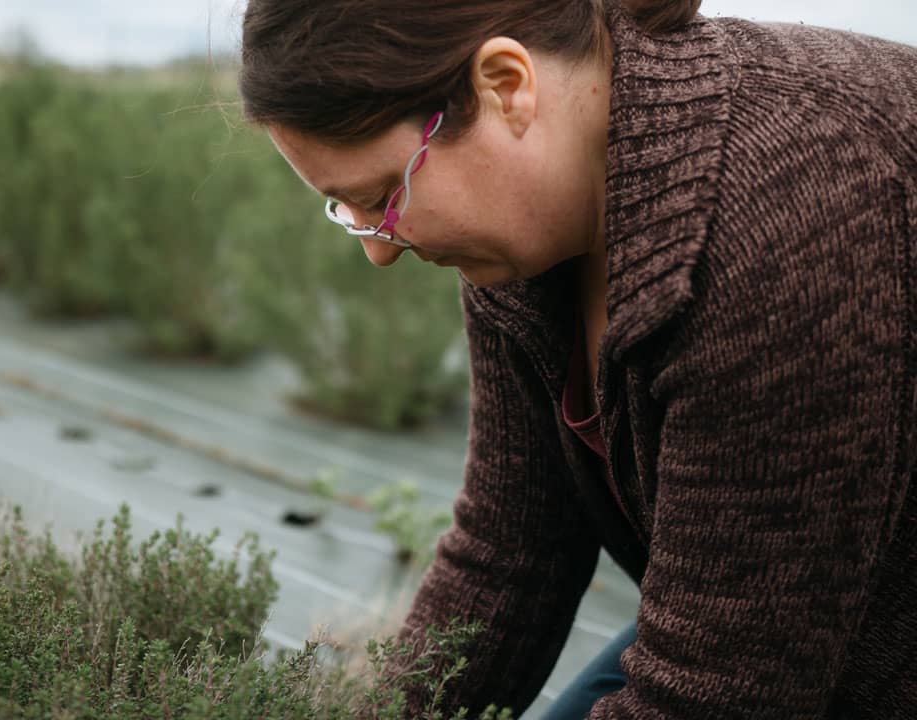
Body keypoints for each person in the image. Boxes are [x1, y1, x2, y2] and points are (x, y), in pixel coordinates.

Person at [239, 0, 917, 717]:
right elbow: (510, 554)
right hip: (768, 620)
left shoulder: (786, 219)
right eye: (348, 210)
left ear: (505, 85)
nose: (379, 251)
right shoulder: (521, 236)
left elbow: (718, 693)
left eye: (383, 196)